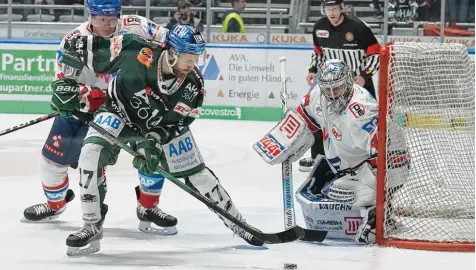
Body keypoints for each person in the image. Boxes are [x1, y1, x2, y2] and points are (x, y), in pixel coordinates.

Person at [55, 24, 265, 256]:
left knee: (199, 175)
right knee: (90, 153)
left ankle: (239, 224)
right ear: (173, 52)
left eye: (196, 58)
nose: (193, 64)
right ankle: (92, 223)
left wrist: (154, 141)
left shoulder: (193, 85)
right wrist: (69, 85)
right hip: (117, 112)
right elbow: (80, 47)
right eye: (189, 58)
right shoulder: (134, 48)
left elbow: (179, 124)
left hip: (158, 128)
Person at [21, 0, 178, 236]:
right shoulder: (74, 40)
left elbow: (173, 45)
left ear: (119, 14)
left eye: (111, 17)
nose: (106, 24)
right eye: (100, 18)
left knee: (152, 153)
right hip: (87, 110)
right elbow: (64, 85)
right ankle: (55, 205)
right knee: (53, 161)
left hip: (133, 107)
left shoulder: (136, 26)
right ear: (90, 16)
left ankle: (148, 207)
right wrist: (83, 95)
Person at [254, 59, 378, 244]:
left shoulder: (362, 110)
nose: (332, 95)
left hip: (371, 167)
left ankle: (377, 218)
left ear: (348, 83)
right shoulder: (317, 95)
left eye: (336, 89)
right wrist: (284, 142)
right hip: (344, 166)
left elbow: (386, 152)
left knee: (354, 192)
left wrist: (376, 187)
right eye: (327, 89)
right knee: (320, 188)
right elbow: (303, 120)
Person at [300, 0, 380, 172]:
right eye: (328, 9)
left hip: (356, 85)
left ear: (342, 8)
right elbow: (318, 53)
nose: (332, 12)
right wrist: (313, 70)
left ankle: (365, 161)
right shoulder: (319, 27)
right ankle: (319, 160)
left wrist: (364, 75)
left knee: (361, 123)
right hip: (331, 85)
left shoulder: (359, 27)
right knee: (320, 117)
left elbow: (375, 54)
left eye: (335, 8)